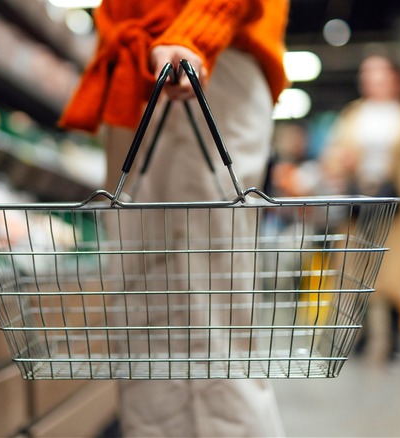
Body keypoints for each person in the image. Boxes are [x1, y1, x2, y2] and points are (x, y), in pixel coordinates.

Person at [59, 1, 289, 436]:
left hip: (200, 60)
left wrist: (195, 34)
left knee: (203, 305)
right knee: (147, 303)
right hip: (142, 65)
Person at [321, 53, 400, 364]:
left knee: (394, 273)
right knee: (355, 272)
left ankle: (394, 340)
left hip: (397, 205)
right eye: (367, 74)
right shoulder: (353, 115)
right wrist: (341, 162)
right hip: (359, 203)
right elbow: (332, 156)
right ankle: (357, 339)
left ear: (394, 78)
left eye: (378, 73)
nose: (371, 80)